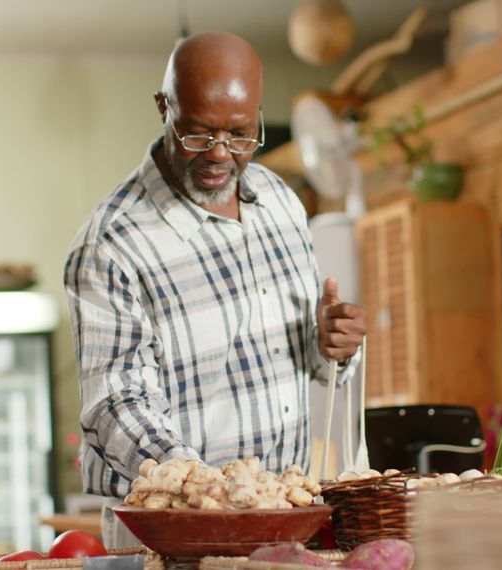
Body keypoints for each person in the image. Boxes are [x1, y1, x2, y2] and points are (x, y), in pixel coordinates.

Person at [63, 32, 367, 505]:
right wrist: (206, 491)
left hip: (284, 511)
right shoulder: (111, 245)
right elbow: (117, 403)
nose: (221, 153)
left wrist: (334, 348)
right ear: (164, 108)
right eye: (199, 133)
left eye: (242, 134)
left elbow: (309, 366)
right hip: (175, 525)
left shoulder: (279, 201)